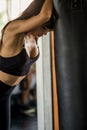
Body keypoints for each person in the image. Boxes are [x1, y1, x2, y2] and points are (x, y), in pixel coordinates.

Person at [0, 0, 58, 129]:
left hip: (5, 95)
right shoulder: (12, 30)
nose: (44, 33)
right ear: (34, 17)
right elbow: (45, 15)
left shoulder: (32, 37)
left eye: (48, 30)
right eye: (44, 28)